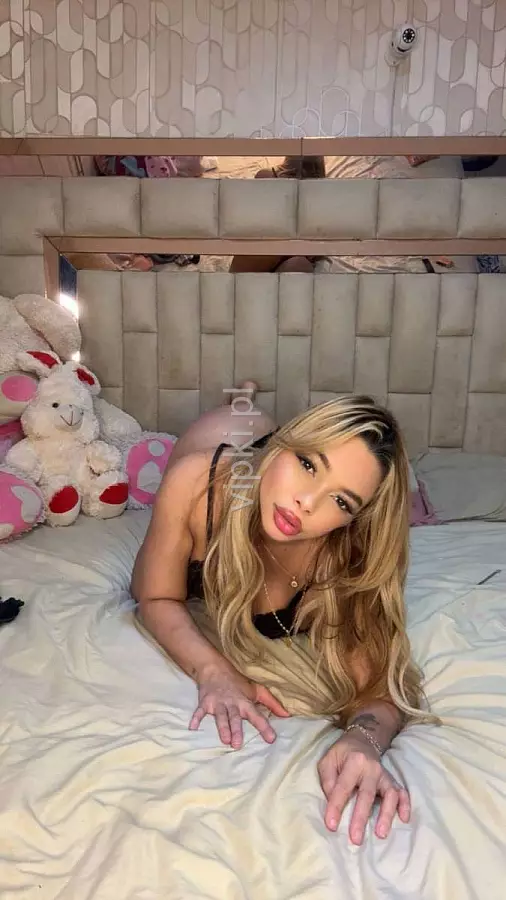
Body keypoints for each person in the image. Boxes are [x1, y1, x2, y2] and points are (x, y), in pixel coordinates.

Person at [131, 383, 436, 846]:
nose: (306, 503)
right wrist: (215, 670)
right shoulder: (199, 483)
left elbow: (377, 691)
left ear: (354, 519)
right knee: (231, 423)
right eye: (309, 464)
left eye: (341, 501)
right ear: (286, 444)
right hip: (225, 453)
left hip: (265, 459)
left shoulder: (343, 560)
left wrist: (363, 741)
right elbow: (156, 598)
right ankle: (244, 402)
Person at [229, 156, 327, 275]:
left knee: (299, 264)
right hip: (270, 246)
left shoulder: (320, 195)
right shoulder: (266, 177)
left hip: (286, 252)